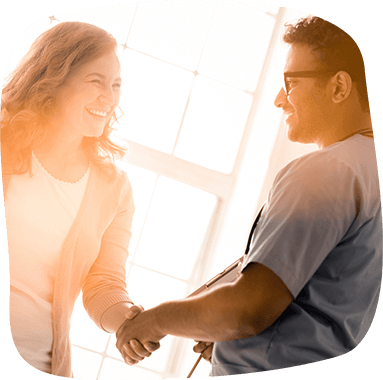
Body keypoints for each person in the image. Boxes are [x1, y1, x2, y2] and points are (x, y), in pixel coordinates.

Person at [115, 16, 382, 376]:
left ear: (338, 87)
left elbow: (249, 309)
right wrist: (224, 331)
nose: (278, 99)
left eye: (290, 83)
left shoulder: (324, 173)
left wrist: (154, 321)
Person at [2, 22, 155, 377]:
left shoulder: (114, 188)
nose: (109, 98)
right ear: (54, 78)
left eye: (115, 86)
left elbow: (104, 284)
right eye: (96, 82)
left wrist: (130, 322)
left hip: (40, 360)